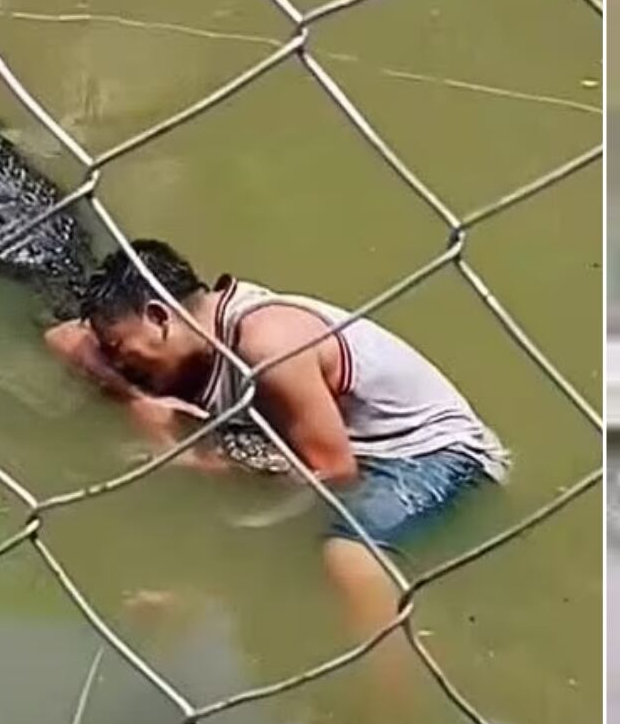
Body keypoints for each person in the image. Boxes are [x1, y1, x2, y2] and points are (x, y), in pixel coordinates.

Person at [42, 239, 511, 694]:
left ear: (159, 317)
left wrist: (199, 463)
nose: (117, 361)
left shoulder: (268, 346)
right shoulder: (189, 344)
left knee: (346, 551)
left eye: (118, 348)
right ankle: (197, 592)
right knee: (197, 500)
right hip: (321, 447)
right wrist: (136, 398)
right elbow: (63, 338)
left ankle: (395, 696)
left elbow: (334, 473)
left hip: (433, 455)